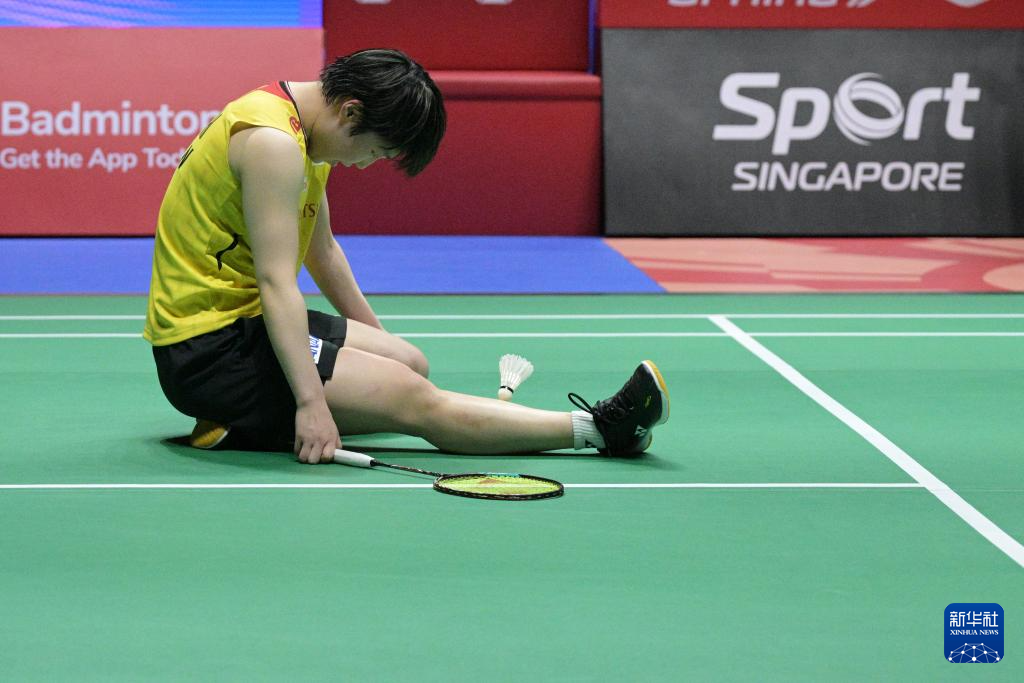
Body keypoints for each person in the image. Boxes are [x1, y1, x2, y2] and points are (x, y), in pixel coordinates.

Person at [144, 48, 670, 464]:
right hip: (209, 350)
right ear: (351, 111)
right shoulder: (273, 143)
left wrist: (383, 349)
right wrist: (310, 404)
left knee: (409, 362)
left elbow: (323, 251)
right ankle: (603, 429)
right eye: (375, 151)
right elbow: (277, 282)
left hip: (246, 321)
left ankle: (259, 419)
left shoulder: (300, 128)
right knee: (414, 400)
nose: (366, 164)